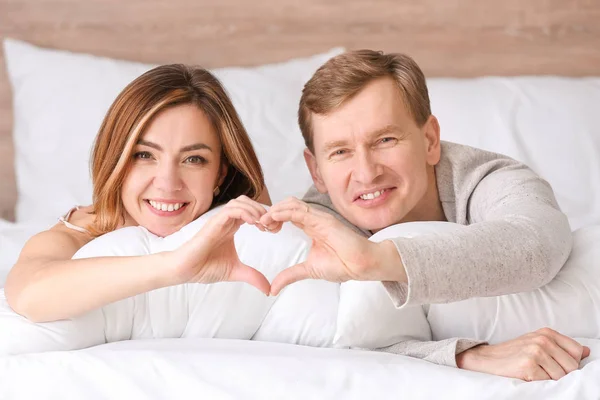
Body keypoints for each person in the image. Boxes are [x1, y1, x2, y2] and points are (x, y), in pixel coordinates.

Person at [259, 50, 590, 382]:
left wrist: (377, 259)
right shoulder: (315, 223)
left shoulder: (491, 179)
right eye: (340, 152)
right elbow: (332, 339)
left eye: (385, 140)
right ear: (315, 170)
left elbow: (537, 245)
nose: (366, 173)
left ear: (430, 139)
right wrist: (466, 355)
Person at [5, 64, 273, 323]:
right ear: (115, 161)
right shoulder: (81, 232)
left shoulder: (244, 206)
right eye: (144, 155)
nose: (168, 184)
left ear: (221, 174)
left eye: (193, 159)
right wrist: (174, 267)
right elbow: (28, 294)